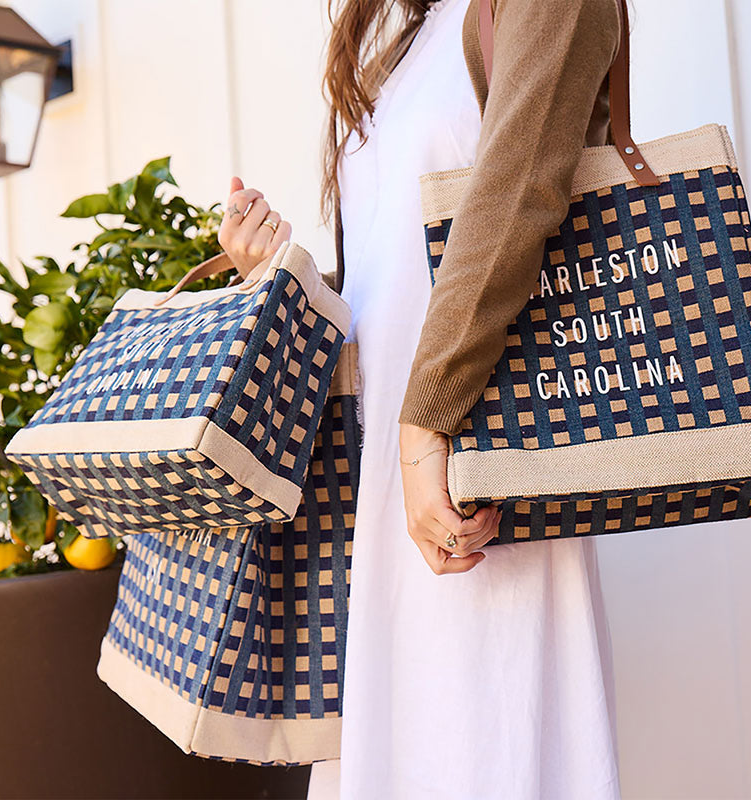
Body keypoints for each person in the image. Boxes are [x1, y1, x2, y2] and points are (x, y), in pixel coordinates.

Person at [219, 0, 623, 796]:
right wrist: (275, 271)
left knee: (489, 751)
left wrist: (426, 425)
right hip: (386, 496)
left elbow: (520, 200)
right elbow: (388, 287)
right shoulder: (408, 41)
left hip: (477, 465)